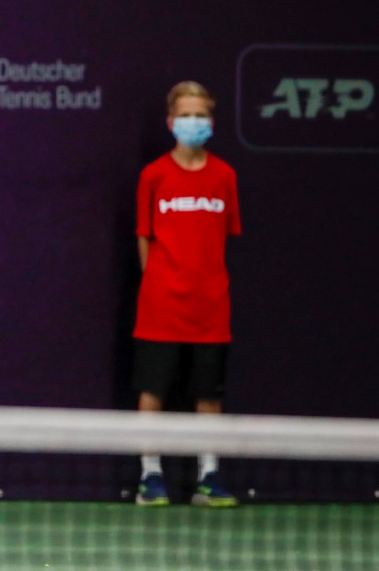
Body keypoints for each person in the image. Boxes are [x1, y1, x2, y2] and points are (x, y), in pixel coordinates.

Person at [133, 81, 241, 508]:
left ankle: (209, 477)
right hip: (160, 308)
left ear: (211, 122)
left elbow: (223, 237)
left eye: (200, 115)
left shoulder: (225, 176)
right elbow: (144, 237)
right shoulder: (153, 176)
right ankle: (150, 477)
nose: (193, 122)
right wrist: (159, 283)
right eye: (186, 115)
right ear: (171, 121)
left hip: (211, 308)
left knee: (209, 395)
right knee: (152, 392)